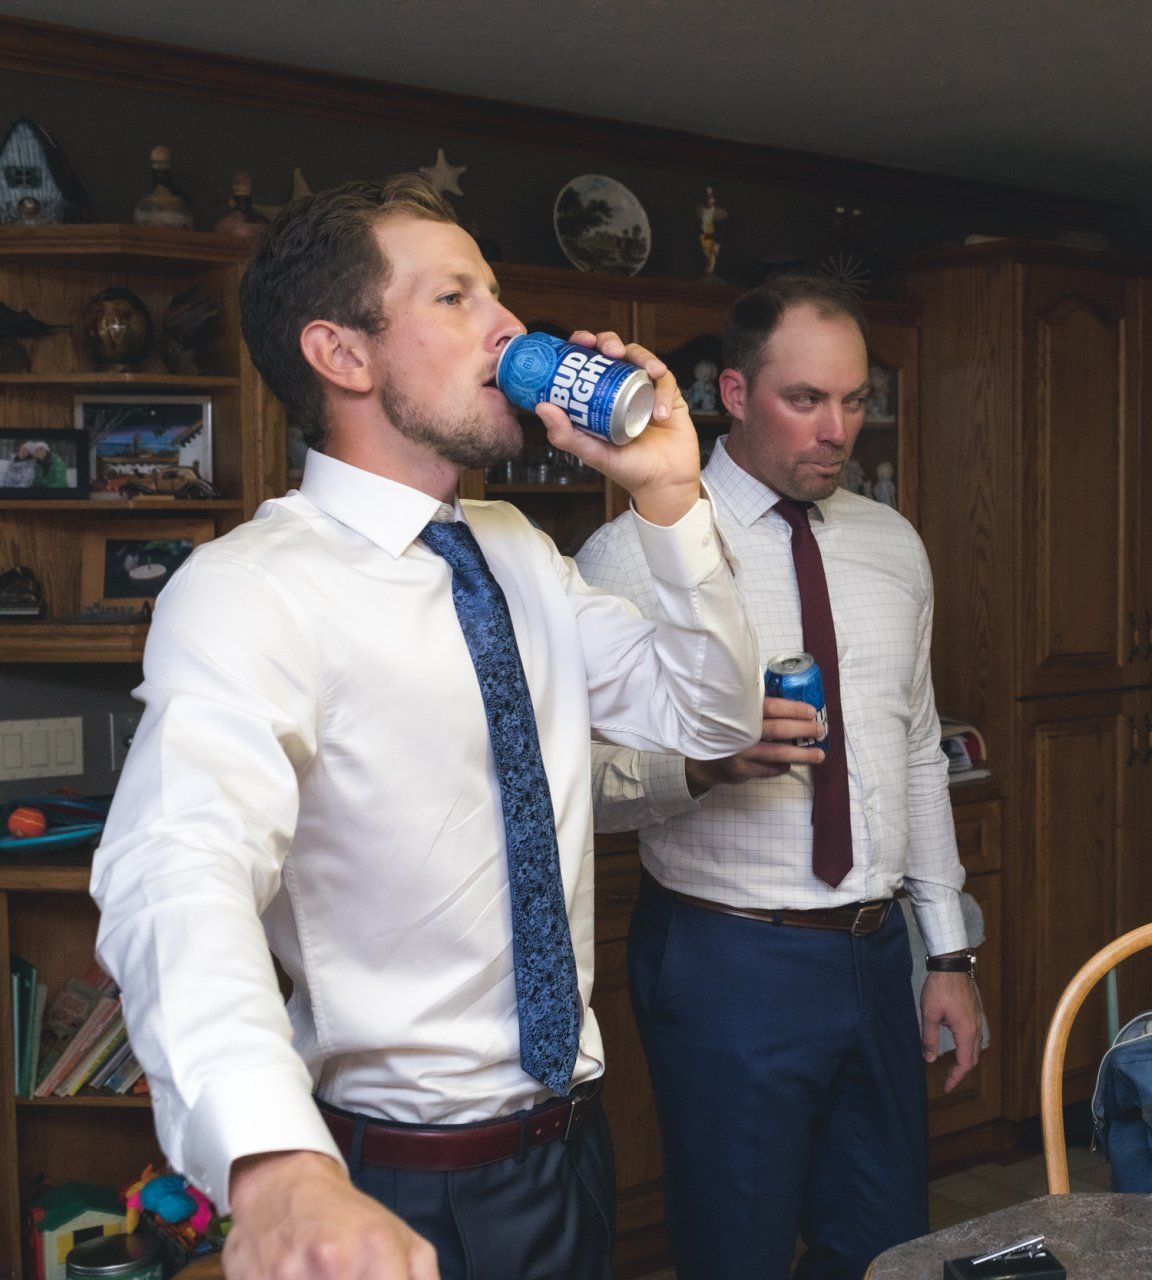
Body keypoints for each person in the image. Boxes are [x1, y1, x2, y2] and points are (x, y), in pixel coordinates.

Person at [91, 174, 762, 1280]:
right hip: (394, 1176)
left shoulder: (516, 550)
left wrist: (673, 500)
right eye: (457, 298)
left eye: (498, 295)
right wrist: (272, 1164)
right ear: (343, 356)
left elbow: (711, 710)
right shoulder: (248, 590)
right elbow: (177, 867)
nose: (510, 326)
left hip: (571, 1147)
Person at [576, 274, 983, 1279]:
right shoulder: (628, 555)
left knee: (887, 1247)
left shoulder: (894, 544)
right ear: (735, 393)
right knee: (737, 1251)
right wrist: (703, 762)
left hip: (875, 950)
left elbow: (918, 749)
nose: (839, 428)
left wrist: (949, 952)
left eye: (856, 399)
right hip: (726, 960)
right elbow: (575, 781)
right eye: (807, 399)